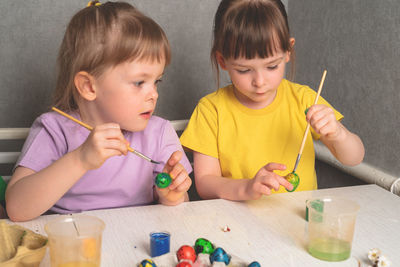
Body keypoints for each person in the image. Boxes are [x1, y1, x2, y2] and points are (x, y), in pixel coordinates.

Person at [6, 1, 192, 222]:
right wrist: (80, 159)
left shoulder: (159, 133)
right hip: (70, 244)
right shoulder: (55, 130)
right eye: (139, 82)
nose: (154, 94)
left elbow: (180, 209)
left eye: (157, 81)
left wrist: (172, 197)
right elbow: (16, 208)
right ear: (89, 86)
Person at [180, 0, 364, 201]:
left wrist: (338, 133)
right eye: (244, 70)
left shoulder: (304, 99)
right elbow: (205, 183)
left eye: (271, 67)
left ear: (288, 52)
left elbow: (354, 158)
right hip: (237, 223)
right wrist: (247, 188)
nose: (259, 82)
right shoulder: (211, 110)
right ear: (222, 60)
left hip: (298, 222)